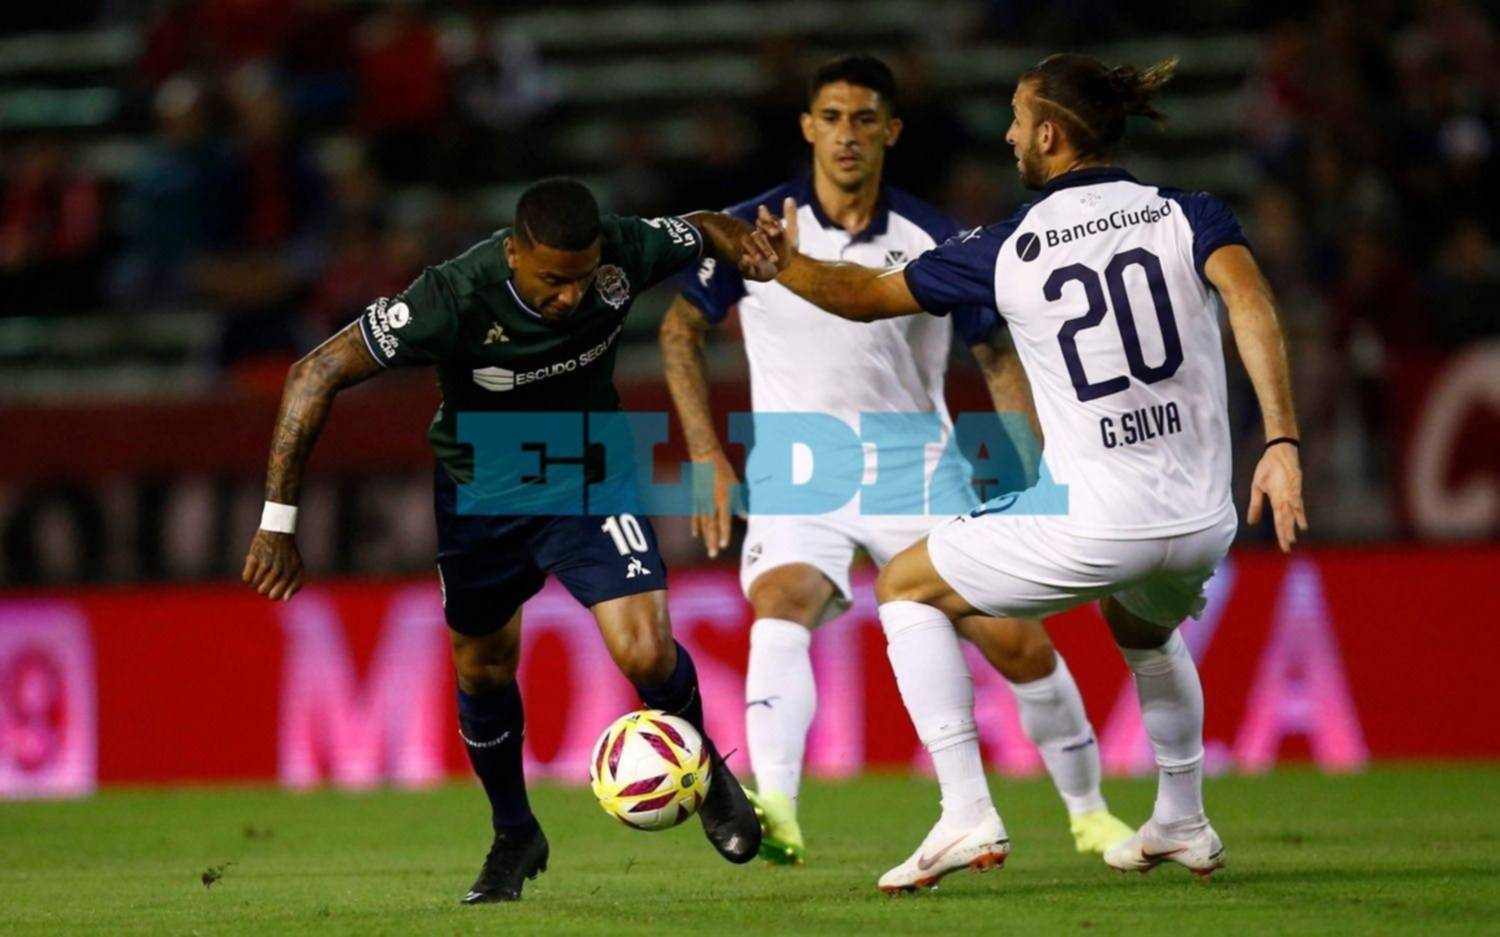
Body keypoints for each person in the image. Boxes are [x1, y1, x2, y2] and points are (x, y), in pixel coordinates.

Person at [743, 54, 1306, 891]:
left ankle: (966, 811)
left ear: (1048, 135)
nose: (1007, 136)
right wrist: (1282, 441)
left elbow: (860, 296)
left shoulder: (1008, 248)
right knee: (1144, 630)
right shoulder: (1188, 212)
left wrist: (784, 262)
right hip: (1200, 519)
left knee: (904, 586)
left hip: (1098, 522)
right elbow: (1251, 301)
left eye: (1015, 118)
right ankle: (1182, 818)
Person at [242, 178, 780, 902]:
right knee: (484, 669)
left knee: (646, 650)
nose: (571, 297)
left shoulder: (624, 251)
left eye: (583, 278)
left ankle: (706, 772)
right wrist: (277, 522)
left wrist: (746, 247)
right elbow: (314, 373)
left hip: (587, 472)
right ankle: (514, 832)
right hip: (483, 495)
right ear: (514, 254)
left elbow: (707, 224)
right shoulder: (450, 296)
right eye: (553, 281)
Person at [659, 55, 1131, 866]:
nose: (846, 135)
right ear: (807, 127)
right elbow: (678, 328)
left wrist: (1036, 476)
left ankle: (1090, 813)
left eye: (864, 119)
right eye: (831, 118)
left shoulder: (935, 236)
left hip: (917, 468)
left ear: (892, 131)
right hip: (800, 470)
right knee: (781, 602)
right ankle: (776, 809)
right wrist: (706, 454)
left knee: (1016, 643)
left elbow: (997, 358)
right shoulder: (753, 231)